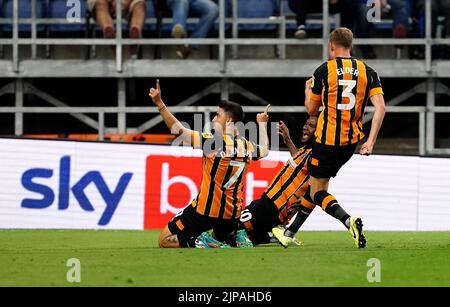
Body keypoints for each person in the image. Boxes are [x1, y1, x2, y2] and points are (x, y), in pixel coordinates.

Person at [149, 79, 270, 248]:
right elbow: (264, 150)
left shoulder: (213, 142)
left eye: (218, 115)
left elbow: (178, 130)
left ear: (228, 120)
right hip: (232, 216)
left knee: (164, 240)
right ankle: (232, 236)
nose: (213, 118)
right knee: (221, 233)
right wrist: (262, 124)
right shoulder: (246, 145)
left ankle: (200, 242)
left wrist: (160, 104)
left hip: (204, 212)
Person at [304, 27, 386, 249]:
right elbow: (380, 107)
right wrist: (371, 141)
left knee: (317, 191)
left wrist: (307, 89)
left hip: (326, 140)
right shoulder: (368, 71)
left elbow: (311, 110)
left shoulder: (323, 71)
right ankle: (289, 231)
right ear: (351, 46)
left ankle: (348, 221)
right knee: (317, 185)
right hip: (351, 143)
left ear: (331, 46)